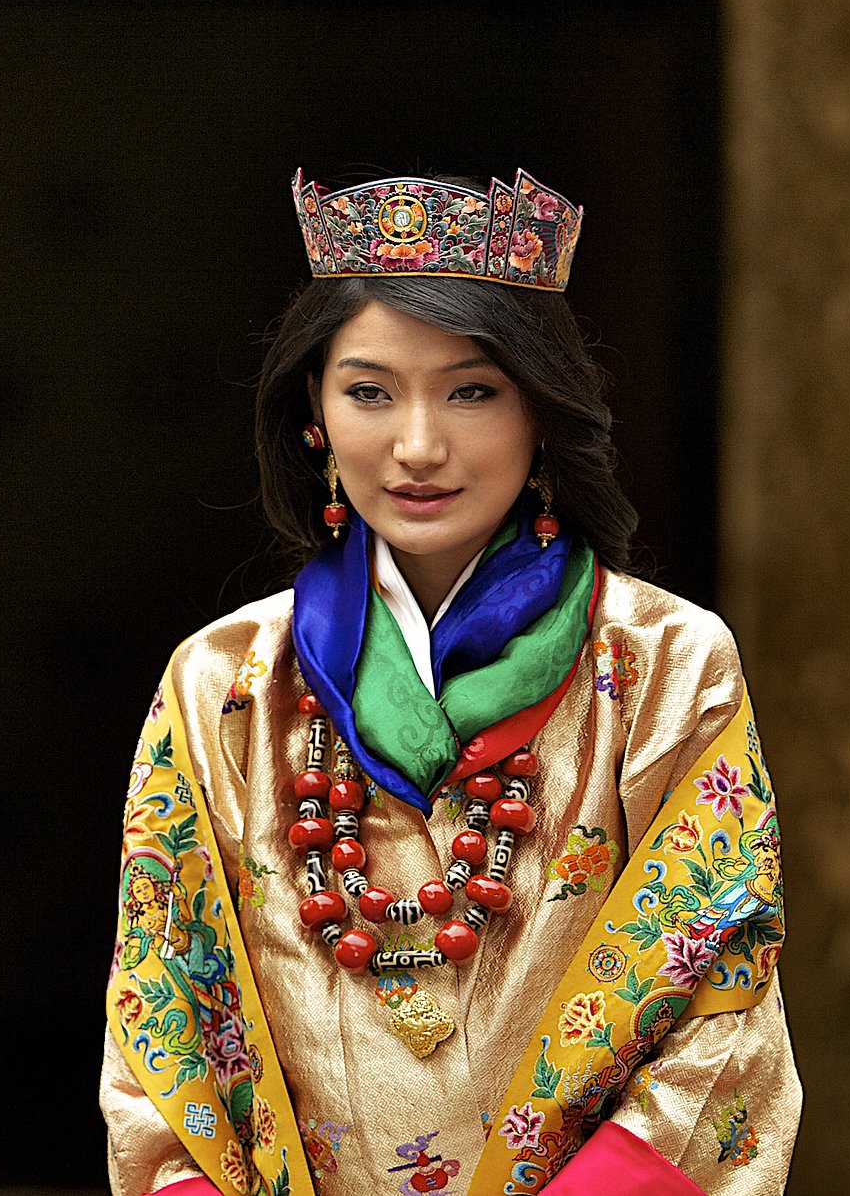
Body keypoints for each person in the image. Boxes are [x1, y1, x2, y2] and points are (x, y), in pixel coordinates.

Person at [101, 170, 797, 1196]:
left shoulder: (660, 662)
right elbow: (161, 1020)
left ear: (539, 410)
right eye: (368, 390)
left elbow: (718, 1005)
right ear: (313, 410)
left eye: (471, 390)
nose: (416, 445)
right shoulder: (222, 682)